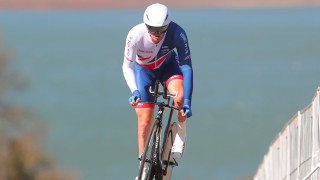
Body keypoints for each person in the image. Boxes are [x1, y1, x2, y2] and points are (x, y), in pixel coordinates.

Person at [122, 2, 193, 170]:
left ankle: (181, 132)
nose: (157, 34)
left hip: (168, 66)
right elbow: (127, 66)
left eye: (162, 30)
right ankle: (142, 165)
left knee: (180, 97)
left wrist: (188, 102)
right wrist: (135, 90)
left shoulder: (178, 33)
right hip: (144, 71)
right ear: (146, 25)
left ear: (168, 26)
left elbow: (187, 68)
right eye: (153, 29)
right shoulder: (135, 35)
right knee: (144, 121)